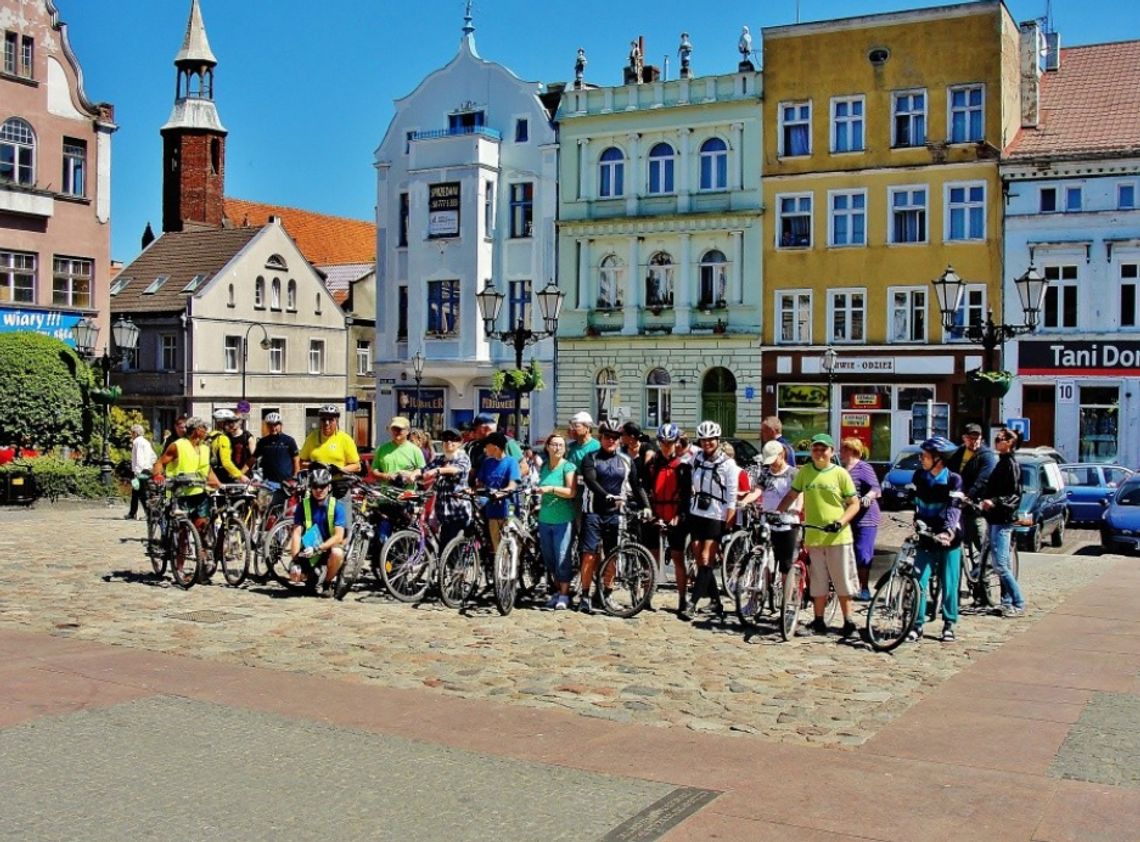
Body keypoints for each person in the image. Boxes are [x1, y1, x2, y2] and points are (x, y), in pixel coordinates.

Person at [777, 433, 861, 637]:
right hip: (814, 535)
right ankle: (819, 620)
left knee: (842, 579)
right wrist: (778, 513)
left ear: (831, 452)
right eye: (815, 448)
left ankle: (849, 622)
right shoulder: (805, 471)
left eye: (823, 449)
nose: (819, 452)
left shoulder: (840, 474)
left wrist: (840, 522)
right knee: (818, 580)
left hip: (837, 537)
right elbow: (792, 494)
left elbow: (854, 504)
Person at [577, 419, 650, 614]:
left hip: (616, 514)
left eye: (615, 437)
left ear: (619, 440)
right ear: (600, 438)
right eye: (607, 437)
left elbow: (636, 485)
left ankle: (606, 594)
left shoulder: (626, 460)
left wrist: (647, 506)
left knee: (612, 556)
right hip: (593, 511)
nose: (611, 440)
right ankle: (584, 595)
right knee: (589, 555)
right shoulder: (590, 458)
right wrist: (606, 496)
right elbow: (591, 481)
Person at [909, 436, 965, 642]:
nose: (921, 459)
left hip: (947, 538)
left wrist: (948, 531)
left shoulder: (953, 479)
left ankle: (949, 623)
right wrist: (917, 521)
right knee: (919, 581)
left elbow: (954, 508)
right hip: (926, 535)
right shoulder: (919, 476)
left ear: (938, 459)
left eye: (924, 455)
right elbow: (916, 503)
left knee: (949, 582)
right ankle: (917, 624)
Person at [686, 420, 740, 619]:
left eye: (711, 440)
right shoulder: (696, 459)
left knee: (708, 557)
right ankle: (716, 601)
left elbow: (732, 492)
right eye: (704, 440)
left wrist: (730, 515)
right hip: (697, 511)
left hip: (716, 513)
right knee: (699, 556)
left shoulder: (728, 464)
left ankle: (692, 602)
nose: (707, 443)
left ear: (717, 440)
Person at [643, 423, 692, 617]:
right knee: (651, 557)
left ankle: (682, 599)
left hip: (674, 513)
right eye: (663, 442)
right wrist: (649, 510)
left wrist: (679, 516)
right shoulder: (652, 464)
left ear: (676, 443)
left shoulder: (683, 466)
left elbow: (687, 496)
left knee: (678, 558)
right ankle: (646, 596)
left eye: (670, 442)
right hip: (656, 513)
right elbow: (645, 489)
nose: (666, 446)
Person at [981, 427, 1025, 617]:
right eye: (997, 438)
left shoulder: (1011, 464)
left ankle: (1018, 602)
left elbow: (1013, 494)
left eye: (1000, 439)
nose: (996, 441)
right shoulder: (1001, 462)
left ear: (1009, 443)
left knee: (1000, 564)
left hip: (1002, 519)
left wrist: (994, 501)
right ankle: (1006, 601)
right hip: (994, 518)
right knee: (1000, 562)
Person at [151, 416, 221, 528]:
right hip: (180, 491)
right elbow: (160, 463)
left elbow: (207, 469)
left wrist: (218, 484)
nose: (206, 431)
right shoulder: (178, 445)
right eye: (204, 428)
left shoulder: (205, 448)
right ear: (197, 430)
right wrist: (158, 475)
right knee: (182, 528)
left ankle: (200, 545)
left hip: (200, 491)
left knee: (202, 526)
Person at [946, 422, 997, 570]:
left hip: (975, 505)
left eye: (977, 438)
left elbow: (983, 478)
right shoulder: (958, 453)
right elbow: (948, 473)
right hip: (958, 504)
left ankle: (985, 577)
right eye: (971, 438)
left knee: (979, 538)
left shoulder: (986, 456)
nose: (974, 441)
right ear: (964, 438)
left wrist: (969, 495)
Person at [289, 467, 346, 597]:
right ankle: (311, 577)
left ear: (329, 487)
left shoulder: (337, 506)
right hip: (310, 548)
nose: (319, 490)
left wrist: (319, 548)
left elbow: (339, 536)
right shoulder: (303, 505)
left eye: (323, 486)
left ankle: (327, 583)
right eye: (315, 487)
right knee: (295, 575)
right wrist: (295, 560)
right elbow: (297, 533)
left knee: (337, 553)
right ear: (310, 487)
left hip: (328, 547)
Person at [536, 433, 577, 610]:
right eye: (554, 444)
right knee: (549, 557)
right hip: (544, 518)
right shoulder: (544, 466)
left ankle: (564, 594)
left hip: (562, 518)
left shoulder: (568, 467)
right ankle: (556, 590)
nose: (558, 448)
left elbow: (571, 492)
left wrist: (551, 489)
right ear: (547, 447)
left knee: (562, 556)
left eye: (561, 445)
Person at [750, 440, 800, 584]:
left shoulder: (793, 473)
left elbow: (799, 493)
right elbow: (758, 491)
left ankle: (786, 600)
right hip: (768, 521)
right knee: (765, 557)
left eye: (773, 460)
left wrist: (797, 508)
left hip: (787, 522)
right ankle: (763, 591)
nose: (771, 464)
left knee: (785, 564)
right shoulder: (765, 474)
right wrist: (745, 500)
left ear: (781, 455)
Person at [840, 438, 882, 601]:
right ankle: (849, 585)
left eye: (844, 449)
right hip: (849, 515)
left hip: (866, 517)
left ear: (852, 450)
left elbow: (876, 488)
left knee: (863, 553)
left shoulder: (864, 467)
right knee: (846, 551)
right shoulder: (842, 469)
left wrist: (868, 497)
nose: (841, 452)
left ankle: (864, 588)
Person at [421, 428, 472, 555]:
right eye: (445, 439)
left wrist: (438, 471)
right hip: (442, 513)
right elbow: (424, 470)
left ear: (460, 442)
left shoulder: (463, 458)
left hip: (457, 512)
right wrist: (410, 475)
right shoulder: (441, 459)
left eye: (453, 439)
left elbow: (455, 470)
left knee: (450, 551)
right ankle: (443, 572)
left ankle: (457, 573)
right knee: (443, 550)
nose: (449, 442)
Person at [299, 404, 362, 499]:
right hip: (317, 487)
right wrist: (314, 466)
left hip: (339, 486)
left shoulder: (345, 439)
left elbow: (357, 466)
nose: (327, 423)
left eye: (331, 420)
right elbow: (301, 462)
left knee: (341, 513)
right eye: (323, 419)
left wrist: (339, 470)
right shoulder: (311, 438)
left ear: (336, 421)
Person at [475, 431, 520, 553]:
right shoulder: (487, 462)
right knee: (496, 543)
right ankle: (498, 569)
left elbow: (513, 484)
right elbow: (479, 483)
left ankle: (513, 564)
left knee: (509, 537)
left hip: (509, 506)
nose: (485, 449)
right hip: (492, 507)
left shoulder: (511, 462)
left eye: (487, 446)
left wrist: (504, 491)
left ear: (495, 447)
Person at [253, 412, 299, 509]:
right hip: (268, 483)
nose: (273, 427)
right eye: (270, 425)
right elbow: (252, 459)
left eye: (276, 424)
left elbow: (296, 461)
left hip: (286, 484)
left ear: (281, 425)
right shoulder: (262, 442)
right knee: (265, 511)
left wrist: (295, 478)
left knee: (286, 512)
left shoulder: (289, 441)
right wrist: (242, 474)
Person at [467, 414, 528, 482]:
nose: (472, 433)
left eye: (474, 430)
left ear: (485, 429)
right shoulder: (476, 447)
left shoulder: (507, 443)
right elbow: (474, 472)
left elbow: (524, 467)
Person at [370, 416, 425, 488]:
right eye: (394, 429)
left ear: (408, 431)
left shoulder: (415, 450)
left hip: (407, 496)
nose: (396, 432)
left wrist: (412, 475)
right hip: (386, 496)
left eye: (399, 429)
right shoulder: (381, 449)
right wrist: (386, 476)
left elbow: (422, 471)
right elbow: (374, 471)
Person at [208, 408, 247, 484]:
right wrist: (240, 476)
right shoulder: (223, 439)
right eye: (229, 422)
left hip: (210, 476)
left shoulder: (210, 436)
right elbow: (226, 462)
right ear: (222, 423)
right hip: (221, 478)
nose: (231, 425)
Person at [126, 424, 157, 520]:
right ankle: (132, 513)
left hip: (139, 471)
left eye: (132, 432)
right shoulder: (146, 442)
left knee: (142, 493)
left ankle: (148, 513)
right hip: (146, 470)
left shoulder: (137, 442)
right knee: (135, 492)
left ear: (135, 433)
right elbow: (153, 456)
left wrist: (137, 472)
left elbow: (138, 458)